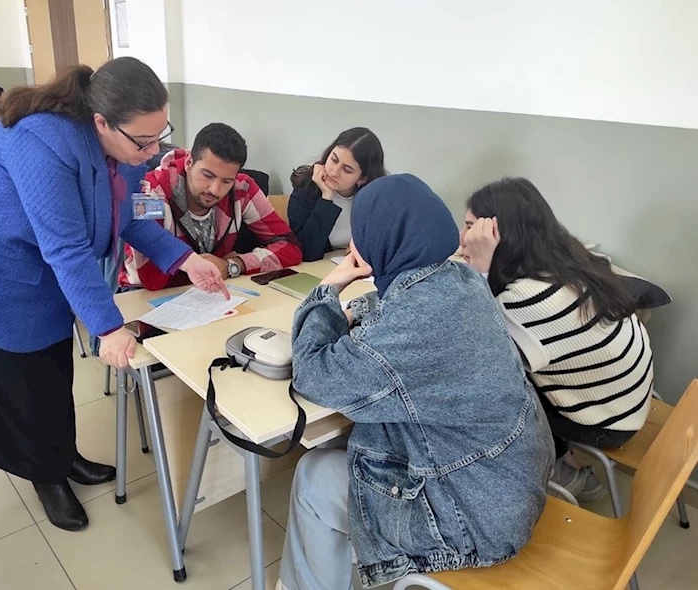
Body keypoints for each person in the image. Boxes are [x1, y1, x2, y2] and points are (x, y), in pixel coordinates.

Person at [0, 58, 228, 533]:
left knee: (52, 369)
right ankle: (45, 475)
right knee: (21, 381)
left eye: (160, 134)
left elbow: (124, 218)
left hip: (32, 263)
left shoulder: (117, 148)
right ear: (101, 121)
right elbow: (65, 247)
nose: (152, 151)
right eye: (143, 141)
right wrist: (107, 328)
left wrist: (186, 260)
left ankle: (63, 457)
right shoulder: (43, 141)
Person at [277, 174, 554, 590]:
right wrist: (355, 308)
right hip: (508, 480)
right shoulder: (461, 279)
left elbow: (313, 373)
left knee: (315, 474)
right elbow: (395, 305)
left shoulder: (415, 323)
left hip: (475, 519)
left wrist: (328, 289)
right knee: (352, 443)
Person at [460, 177, 653, 502]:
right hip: (627, 395)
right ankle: (565, 459)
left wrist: (478, 270)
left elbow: (475, 355)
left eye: (470, 228)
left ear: (497, 239)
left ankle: (564, 471)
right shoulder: (567, 259)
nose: (463, 239)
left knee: (484, 401)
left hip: (606, 419)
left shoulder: (525, 299)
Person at [120, 123, 302, 289]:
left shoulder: (242, 189)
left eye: (227, 180)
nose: (215, 189)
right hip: (140, 295)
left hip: (207, 292)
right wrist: (201, 265)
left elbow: (290, 248)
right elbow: (153, 278)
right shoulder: (150, 192)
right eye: (207, 175)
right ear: (189, 162)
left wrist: (234, 265)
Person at [287, 127, 386, 262]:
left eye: (347, 169)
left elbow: (387, 244)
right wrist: (326, 198)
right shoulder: (305, 189)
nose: (334, 172)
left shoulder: (375, 197)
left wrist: (365, 248)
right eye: (334, 160)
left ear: (363, 178)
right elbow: (307, 252)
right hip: (318, 271)